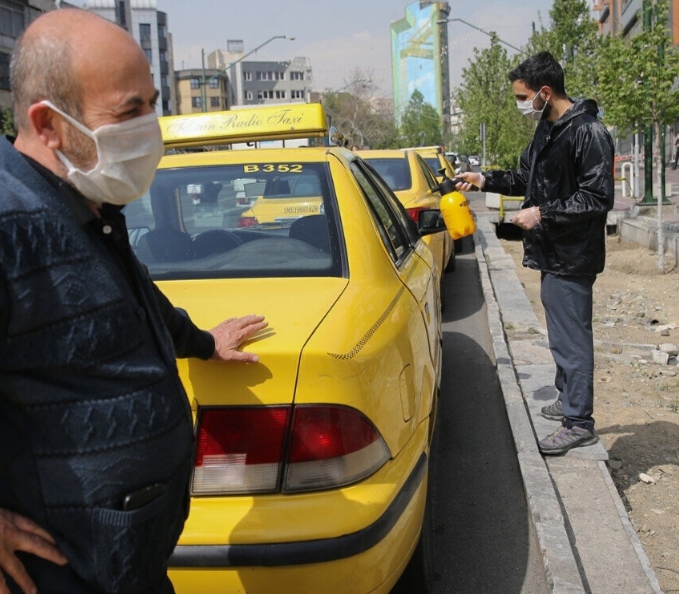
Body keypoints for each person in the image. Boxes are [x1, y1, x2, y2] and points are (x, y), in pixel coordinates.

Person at [0, 9, 267, 594]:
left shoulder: (84, 205)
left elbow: (130, 301)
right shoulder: (11, 221)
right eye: (129, 112)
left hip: (125, 565)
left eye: (152, 104)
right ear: (49, 124)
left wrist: (203, 343)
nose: (152, 128)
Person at [455, 51, 614, 456]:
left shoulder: (588, 132)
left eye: (522, 97)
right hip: (551, 252)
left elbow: (597, 197)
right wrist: (485, 179)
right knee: (560, 336)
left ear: (545, 92)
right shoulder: (548, 129)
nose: (520, 105)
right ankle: (567, 398)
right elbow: (526, 177)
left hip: (573, 255)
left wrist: (542, 213)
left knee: (572, 340)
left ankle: (579, 422)